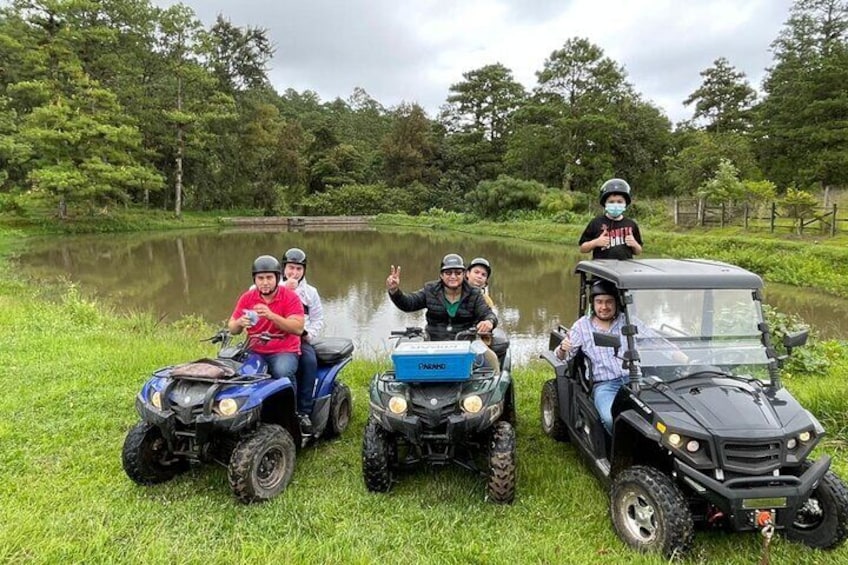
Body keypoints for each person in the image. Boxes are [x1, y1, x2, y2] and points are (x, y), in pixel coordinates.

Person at [228, 255, 305, 415]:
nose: (264, 282)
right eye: (260, 278)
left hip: (284, 349)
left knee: (282, 372)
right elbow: (232, 328)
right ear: (254, 280)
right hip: (255, 349)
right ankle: (245, 414)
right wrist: (239, 323)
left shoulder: (290, 297)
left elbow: (298, 328)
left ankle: (293, 414)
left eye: (269, 277)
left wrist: (271, 315)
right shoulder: (247, 297)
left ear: (277, 278)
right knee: (241, 375)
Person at [554, 279, 628, 433]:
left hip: (633, 379)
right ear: (593, 304)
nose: (604, 307)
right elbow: (562, 356)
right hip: (605, 385)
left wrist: (680, 356)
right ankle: (618, 453)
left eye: (609, 302)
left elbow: (653, 339)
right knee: (609, 418)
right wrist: (563, 347)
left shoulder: (626, 320)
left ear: (616, 303)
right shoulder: (582, 326)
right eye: (599, 302)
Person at [386, 253, 497, 341]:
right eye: (448, 273)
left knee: (490, 359)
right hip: (433, 343)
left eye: (458, 273)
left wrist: (489, 321)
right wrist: (394, 290)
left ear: (464, 275)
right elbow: (408, 304)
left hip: (466, 344)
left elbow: (488, 314)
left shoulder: (475, 293)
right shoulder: (430, 289)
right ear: (441, 275)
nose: (453, 276)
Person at [281, 247, 324, 432]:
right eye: (291, 268)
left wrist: (308, 335)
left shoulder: (310, 292)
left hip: (299, 338)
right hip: (271, 338)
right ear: (283, 268)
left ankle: (303, 412)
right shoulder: (268, 285)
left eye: (299, 269)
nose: (294, 273)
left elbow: (318, 319)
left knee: (308, 361)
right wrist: (284, 290)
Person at [579, 178, 643, 260]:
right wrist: (596, 242)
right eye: (611, 202)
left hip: (625, 270)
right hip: (601, 270)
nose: (615, 205)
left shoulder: (631, 225)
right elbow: (582, 249)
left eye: (620, 202)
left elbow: (638, 251)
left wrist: (634, 244)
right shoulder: (596, 223)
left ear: (625, 204)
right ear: (605, 204)